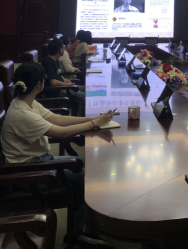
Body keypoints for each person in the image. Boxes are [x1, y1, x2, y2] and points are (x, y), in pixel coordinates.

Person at [1, 63, 113, 244]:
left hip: (38, 162)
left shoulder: (26, 102)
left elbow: (58, 119)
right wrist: (94, 124)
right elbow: (62, 133)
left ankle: (82, 228)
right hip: (29, 174)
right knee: (89, 176)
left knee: (86, 166)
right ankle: (79, 234)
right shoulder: (22, 113)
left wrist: (95, 118)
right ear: (39, 84)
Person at [42, 38, 86, 116]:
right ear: (60, 50)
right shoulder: (48, 62)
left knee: (87, 89)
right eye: (63, 47)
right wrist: (67, 85)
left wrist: (65, 80)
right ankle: (81, 119)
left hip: (62, 87)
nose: (64, 49)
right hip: (56, 91)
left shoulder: (55, 60)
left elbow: (58, 74)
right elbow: (53, 82)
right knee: (84, 97)